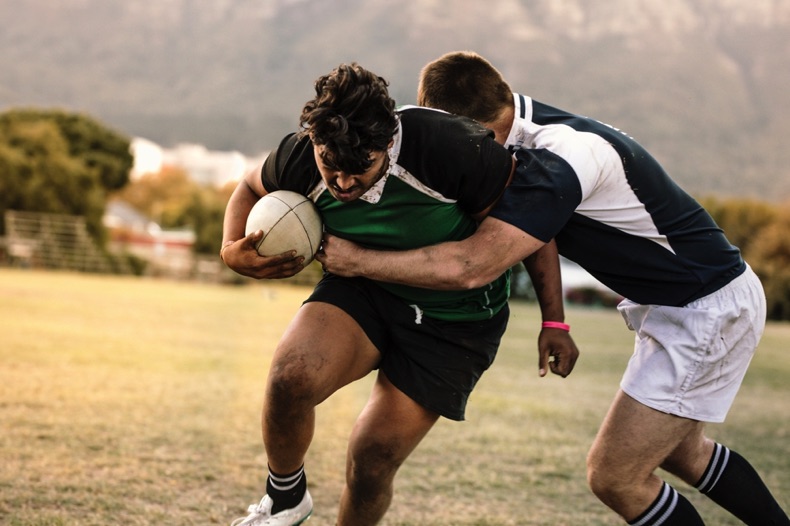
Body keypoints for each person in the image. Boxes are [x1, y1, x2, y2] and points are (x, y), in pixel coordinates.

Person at [317, 51, 789, 525]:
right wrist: (555, 319)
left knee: (615, 476)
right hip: (690, 302)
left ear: (460, 125)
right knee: (684, 453)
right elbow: (548, 231)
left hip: (705, 308)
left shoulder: (559, 155)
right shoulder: (528, 138)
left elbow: (472, 266)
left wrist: (356, 261)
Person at [220, 62, 579, 526]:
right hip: (363, 291)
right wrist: (232, 252)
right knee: (290, 377)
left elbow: (533, 225)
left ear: (388, 141)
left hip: (455, 319)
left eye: (359, 169)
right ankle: (286, 499)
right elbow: (249, 187)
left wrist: (554, 321)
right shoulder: (302, 155)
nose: (343, 183)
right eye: (332, 167)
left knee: (371, 459)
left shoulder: (451, 148)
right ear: (314, 142)